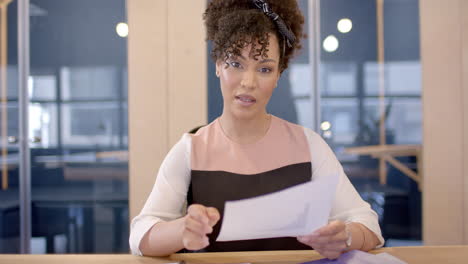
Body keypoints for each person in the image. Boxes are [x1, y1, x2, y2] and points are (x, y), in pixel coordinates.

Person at [129, 0, 384, 259]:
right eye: (236, 64)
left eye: (264, 69)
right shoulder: (190, 149)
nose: (248, 82)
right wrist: (182, 230)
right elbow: (140, 236)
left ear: (278, 76)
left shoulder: (309, 146)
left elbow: (369, 225)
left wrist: (346, 236)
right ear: (218, 65)